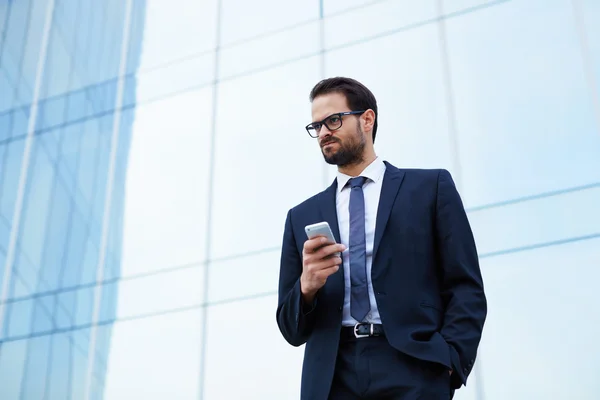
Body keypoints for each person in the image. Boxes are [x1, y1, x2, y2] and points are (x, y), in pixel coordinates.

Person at [276, 77, 487, 400]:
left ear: (367, 119)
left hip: (414, 366)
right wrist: (306, 288)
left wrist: (450, 359)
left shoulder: (430, 189)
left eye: (333, 120)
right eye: (316, 126)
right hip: (332, 378)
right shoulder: (300, 216)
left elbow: (465, 286)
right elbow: (291, 330)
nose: (323, 133)